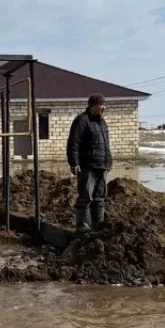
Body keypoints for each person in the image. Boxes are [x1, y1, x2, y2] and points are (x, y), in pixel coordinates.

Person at [67, 93, 113, 234]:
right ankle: (82, 228)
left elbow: (105, 145)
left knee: (100, 197)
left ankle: (97, 227)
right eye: (101, 104)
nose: (103, 107)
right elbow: (74, 142)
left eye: (105, 104)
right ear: (92, 106)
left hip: (102, 165)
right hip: (88, 166)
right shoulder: (82, 121)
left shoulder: (102, 122)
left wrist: (109, 161)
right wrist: (74, 162)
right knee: (85, 197)